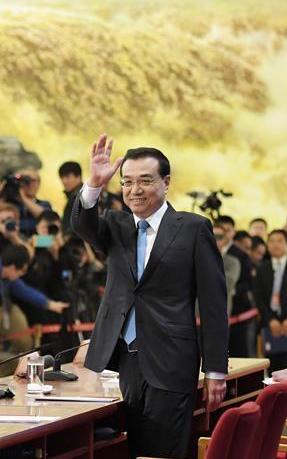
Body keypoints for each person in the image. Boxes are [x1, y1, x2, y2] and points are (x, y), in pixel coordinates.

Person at [71, 135, 228, 458]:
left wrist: (215, 370)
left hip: (173, 360)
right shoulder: (115, 225)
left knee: (165, 451)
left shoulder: (193, 228)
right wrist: (94, 184)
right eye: (127, 182)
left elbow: (213, 305)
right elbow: (83, 225)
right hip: (126, 360)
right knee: (136, 448)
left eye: (144, 181)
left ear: (166, 182)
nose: (134, 190)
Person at [0, 245, 68, 367]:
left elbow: (24, 291)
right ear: (12, 267)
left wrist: (50, 304)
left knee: (24, 340)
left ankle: (19, 368)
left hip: (0, 306)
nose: (22, 274)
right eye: (22, 271)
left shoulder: (6, 274)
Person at [253, 229, 287, 371]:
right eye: (272, 241)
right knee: (272, 369)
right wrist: (271, 320)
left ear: (286, 245)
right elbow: (258, 298)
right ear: (267, 245)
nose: (275, 245)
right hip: (268, 324)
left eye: (280, 241)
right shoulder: (261, 268)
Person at [215, 215, 255, 358]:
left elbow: (235, 282)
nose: (217, 239)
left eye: (221, 235)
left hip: (236, 310)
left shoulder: (238, 256)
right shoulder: (198, 253)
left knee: (238, 353)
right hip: (201, 316)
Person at [58, 161, 84, 235]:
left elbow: (69, 233)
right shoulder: (75, 197)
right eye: (62, 177)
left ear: (78, 176)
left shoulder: (79, 198)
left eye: (67, 176)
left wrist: (39, 241)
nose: (64, 181)